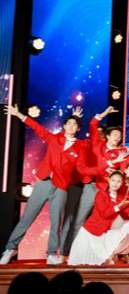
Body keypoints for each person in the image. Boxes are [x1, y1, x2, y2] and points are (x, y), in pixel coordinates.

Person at [1, 104, 88, 265]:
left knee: (56, 222)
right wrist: (18, 114)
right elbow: (37, 127)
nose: (71, 126)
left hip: (61, 187)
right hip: (44, 182)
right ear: (64, 126)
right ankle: (10, 249)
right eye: (68, 123)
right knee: (27, 217)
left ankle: (52, 253)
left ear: (78, 129)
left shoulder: (81, 147)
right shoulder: (54, 138)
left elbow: (81, 168)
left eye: (74, 125)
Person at [61, 106, 121, 260]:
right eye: (114, 134)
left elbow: (127, 168)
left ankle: (101, 254)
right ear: (107, 136)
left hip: (105, 190)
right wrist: (104, 113)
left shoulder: (121, 153)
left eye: (119, 136)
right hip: (91, 187)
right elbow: (93, 124)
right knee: (79, 220)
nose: (116, 137)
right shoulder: (96, 145)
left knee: (103, 223)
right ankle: (68, 253)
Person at [68, 171, 129, 266]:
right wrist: (118, 206)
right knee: (83, 264)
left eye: (118, 181)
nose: (115, 183)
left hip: (104, 232)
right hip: (91, 232)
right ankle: (109, 256)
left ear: (122, 183)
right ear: (108, 180)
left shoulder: (119, 198)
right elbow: (104, 214)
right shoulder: (101, 194)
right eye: (113, 180)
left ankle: (112, 254)